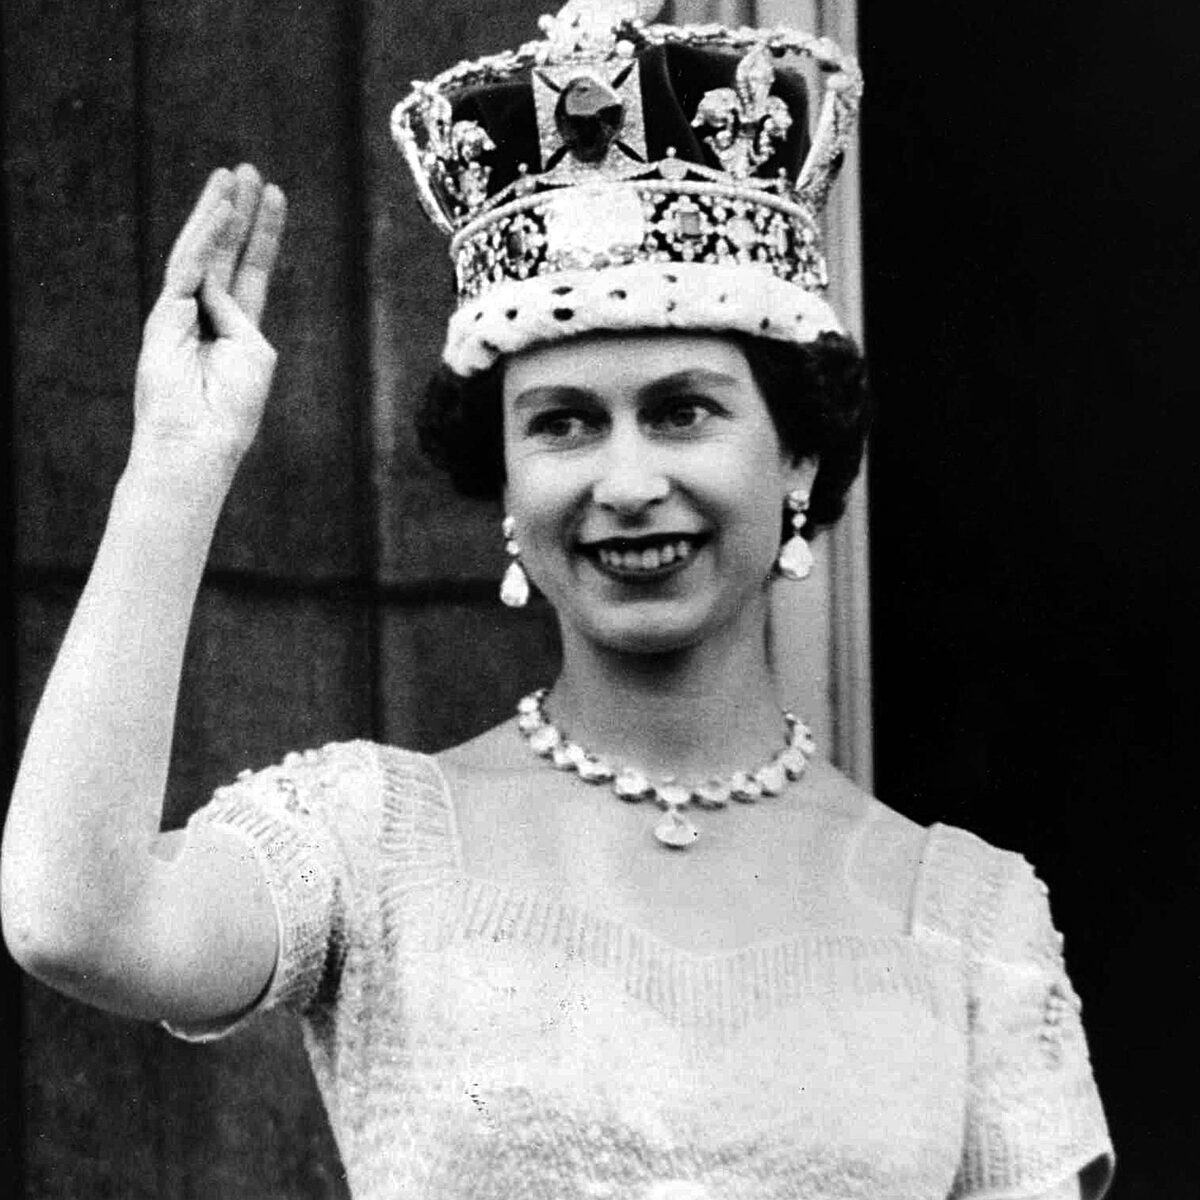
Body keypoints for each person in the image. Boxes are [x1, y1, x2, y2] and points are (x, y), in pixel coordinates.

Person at [1, 3, 1114, 1198]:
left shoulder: (968, 922)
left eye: (684, 409)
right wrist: (178, 458)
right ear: (509, 483)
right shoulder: (370, 841)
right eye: (566, 423)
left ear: (797, 456)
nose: (628, 484)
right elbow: (78, 922)